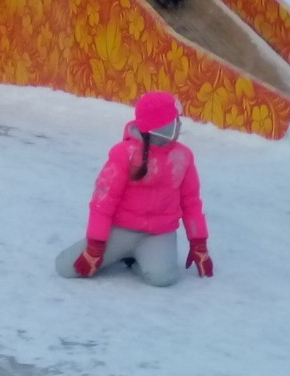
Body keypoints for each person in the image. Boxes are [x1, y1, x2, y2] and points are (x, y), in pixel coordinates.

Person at [55, 92, 212, 287]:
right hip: (121, 230)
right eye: (175, 120)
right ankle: (117, 253)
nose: (180, 124)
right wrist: (95, 247)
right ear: (162, 125)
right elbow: (103, 202)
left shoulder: (183, 157)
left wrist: (199, 243)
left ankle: (135, 260)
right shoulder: (124, 154)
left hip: (158, 234)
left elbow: (191, 202)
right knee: (66, 268)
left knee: (164, 277)